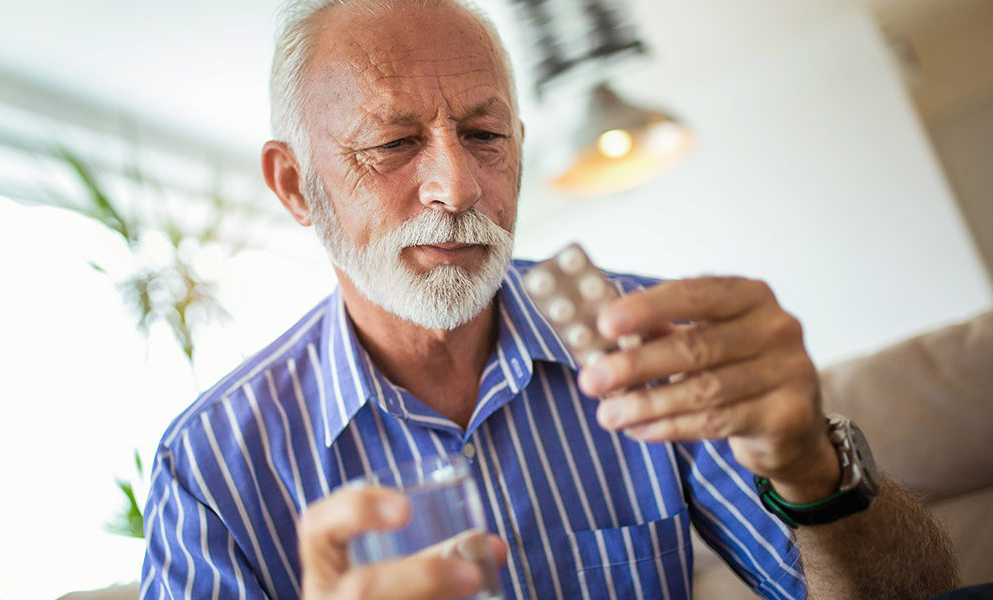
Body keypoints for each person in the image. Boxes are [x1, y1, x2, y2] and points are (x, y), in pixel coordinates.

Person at [141, 0, 960, 598]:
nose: (457, 185)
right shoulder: (209, 469)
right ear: (296, 184)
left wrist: (813, 465)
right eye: (393, 143)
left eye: (485, 135)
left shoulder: (654, 345)